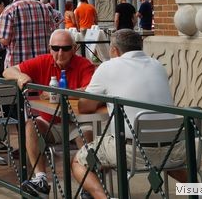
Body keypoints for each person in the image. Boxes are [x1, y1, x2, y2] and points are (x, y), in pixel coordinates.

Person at [71, 29, 186, 199]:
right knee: (162, 159)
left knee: (79, 161)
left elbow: (84, 106)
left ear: (114, 50)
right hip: (175, 148)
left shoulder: (108, 66)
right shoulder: (157, 65)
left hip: (131, 152)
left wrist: (102, 98)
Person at [2, 29, 96, 196]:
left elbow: (90, 90)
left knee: (87, 133)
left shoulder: (84, 64)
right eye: (55, 48)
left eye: (65, 48)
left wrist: (59, 94)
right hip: (50, 122)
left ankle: (88, 184)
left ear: (74, 48)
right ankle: (40, 180)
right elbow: (7, 71)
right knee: (31, 125)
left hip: (77, 122)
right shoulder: (43, 61)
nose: (60, 53)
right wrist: (20, 76)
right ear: (49, 48)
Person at [0, 0, 56, 68]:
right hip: (42, 65)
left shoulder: (9, 10)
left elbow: (4, 40)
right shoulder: (44, 7)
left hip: (18, 67)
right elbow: (53, 33)